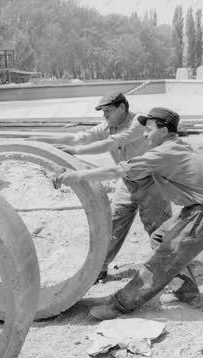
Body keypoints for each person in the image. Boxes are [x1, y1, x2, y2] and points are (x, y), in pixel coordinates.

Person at [54, 107, 203, 320]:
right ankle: (187, 293)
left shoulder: (164, 152)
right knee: (160, 238)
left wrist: (78, 176)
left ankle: (120, 305)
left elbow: (119, 170)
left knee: (164, 258)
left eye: (149, 129)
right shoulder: (175, 145)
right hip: (197, 209)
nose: (144, 134)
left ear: (163, 130)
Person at [30, 92, 171, 281]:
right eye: (103, 112)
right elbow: (80, 138)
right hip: (127, 182)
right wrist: (40, 139)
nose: (104, 116)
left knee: (159, 230)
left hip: (152, 182)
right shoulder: (108, 126)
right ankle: (98, 269)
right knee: (112, 225)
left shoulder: (140, 122)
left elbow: (114, 142)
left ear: (122, 108)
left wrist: (76, 151)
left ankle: (172, 272)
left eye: (108, 111)